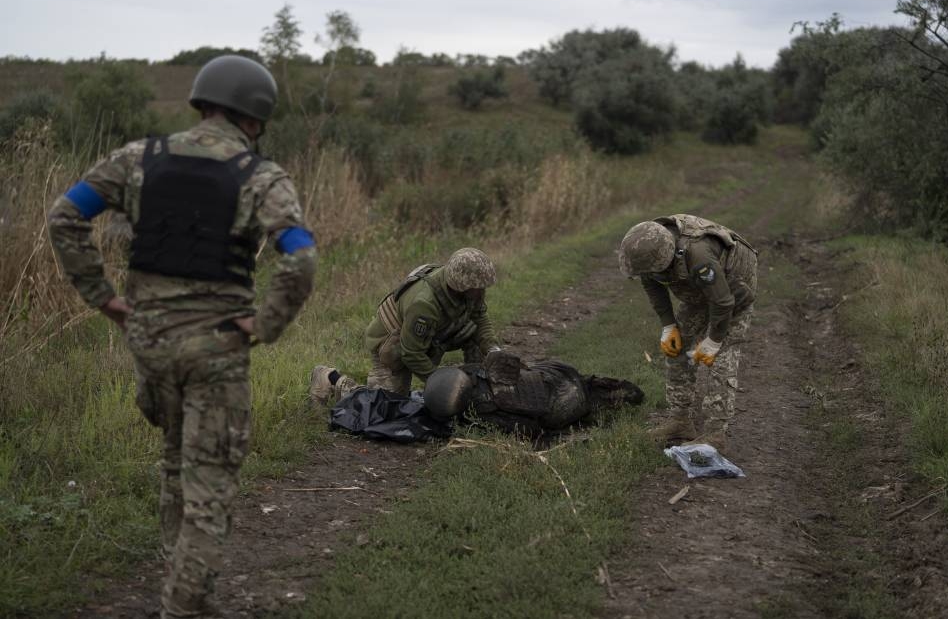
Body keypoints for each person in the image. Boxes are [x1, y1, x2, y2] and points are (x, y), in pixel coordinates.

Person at [48, 55, 316, 619]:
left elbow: (66, 216)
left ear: (201, 101)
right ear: (255, 116)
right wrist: (265, 323)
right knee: (209, 488)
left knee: (175, 461)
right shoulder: (261, 177)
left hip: (149, 346)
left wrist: (104, 298)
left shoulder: (138, 158)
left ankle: (185, 591)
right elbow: (299, 256)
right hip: (215, 348)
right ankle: (183, 606)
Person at [618, 214, 758, 451]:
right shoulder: (650, 247)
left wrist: (713, 340)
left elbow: (723, 302)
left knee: (722, 357)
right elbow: (650, 281)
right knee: (677, 347)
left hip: (733, 288)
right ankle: (680, 421)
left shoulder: (698, 255)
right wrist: (668, 325)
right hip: (698, 289)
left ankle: (715, 434)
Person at [316, 349, 644, 439]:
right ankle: (332, 378)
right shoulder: (480, 381)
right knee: (388, 402)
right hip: (565, 383)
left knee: (390, 403)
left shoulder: (480, 404)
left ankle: (334, 378)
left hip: (564, 391)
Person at [311, 248, 501, 400]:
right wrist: (444, 385)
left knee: (474, 335)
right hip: (392, 345)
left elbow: (479, 318)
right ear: (461, 286)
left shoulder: (467, 291)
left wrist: (493, 349)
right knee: (384, 407)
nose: (481, 292)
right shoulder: (425, 303)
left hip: (423, 338)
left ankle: (478, 389)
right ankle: (330, 378)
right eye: (477, 288)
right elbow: (410, 353)